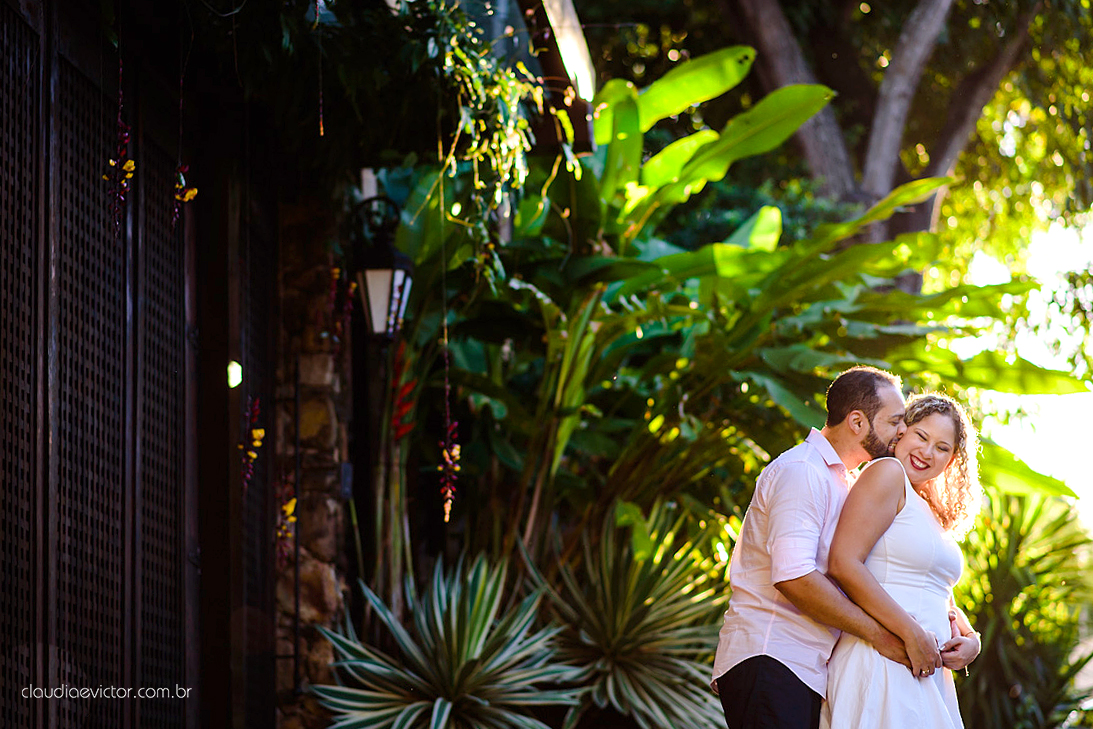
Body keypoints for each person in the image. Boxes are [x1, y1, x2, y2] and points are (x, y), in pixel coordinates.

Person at [712, 366, 913, 729]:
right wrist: (877, 634)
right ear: (857, 422)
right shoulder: (803, 471)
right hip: (772, 656)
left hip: (803, 667)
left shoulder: (844, 482)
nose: (902, 431)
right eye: (894, 421)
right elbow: (795, 577)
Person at [822, 393, 983, 728]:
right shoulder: (887, 472)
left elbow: (935, 589)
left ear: (952, 460)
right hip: (884, 659)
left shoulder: (926, 506)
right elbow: (843, 562)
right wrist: (912, 634)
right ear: (901, 433)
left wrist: (970, 639)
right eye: (921, 437)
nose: (927, 452)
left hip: (924, 669)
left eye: (942, 447)